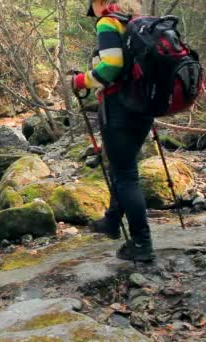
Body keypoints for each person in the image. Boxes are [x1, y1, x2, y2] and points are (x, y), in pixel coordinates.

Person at [70, 0, 156, 262]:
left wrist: (80, 80)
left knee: (126, 174)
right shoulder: (137, 23)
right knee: (123, 168)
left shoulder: (109, 22)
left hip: (119, 108)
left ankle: (142, 244)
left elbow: (110, 66)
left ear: (103, 2)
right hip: (143, 106)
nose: (92, 10)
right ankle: (111, 221)